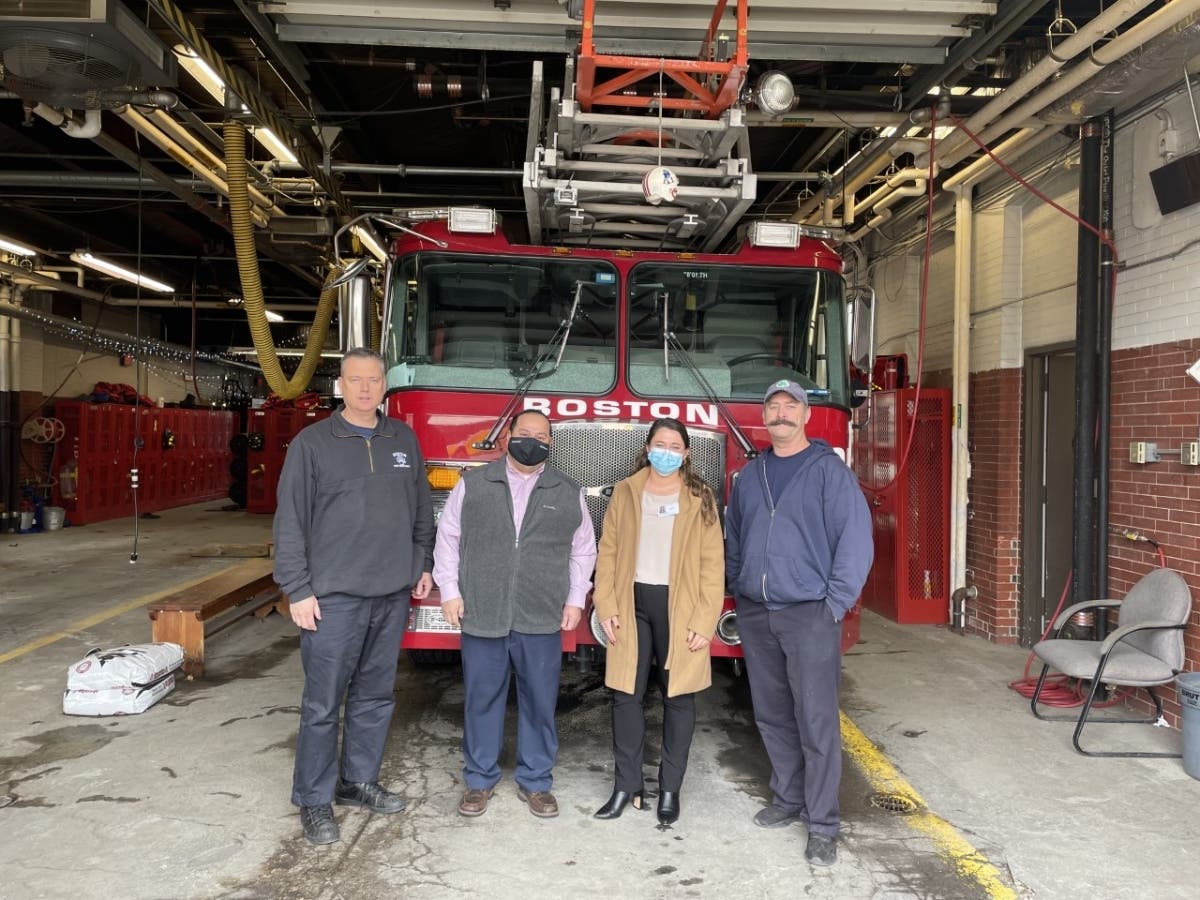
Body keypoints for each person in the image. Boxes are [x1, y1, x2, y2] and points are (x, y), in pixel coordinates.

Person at [273, 347, 435, 845]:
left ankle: (357, 781)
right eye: (355, 380)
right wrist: (297, 588)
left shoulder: (401, 437)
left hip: (390, 595)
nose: (366, 388)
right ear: (339, 386)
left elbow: (421, 511)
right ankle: (315, 800)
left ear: (385, 385)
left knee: (374, 697)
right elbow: (290, 521)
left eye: (374, 379)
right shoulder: (313, 444)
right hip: (333, 598)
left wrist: (420, 564)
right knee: (323, 704)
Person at [724, 379, 873, 867]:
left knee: (816, 720)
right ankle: (787, 799)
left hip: (810, 614)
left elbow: (855, 542)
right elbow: (735, 537)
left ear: (805, 416)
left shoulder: (829, 472)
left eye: (791, 406)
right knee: (771, 713)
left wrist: (834, 605)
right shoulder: (752, 475)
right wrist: (739, 585)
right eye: (774, 407)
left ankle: (824, 822)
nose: (781, 413)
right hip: (757, 612)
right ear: (764, 418)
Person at [432, 409, 596, 819]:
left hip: (541, 614)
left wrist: (576, 599)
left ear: (551, 444)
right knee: (481, 699)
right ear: (507, 436)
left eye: (541, 436)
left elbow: (583, 551)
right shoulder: (473, 484)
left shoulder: (567, 491)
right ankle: (478, 779)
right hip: (483, 610)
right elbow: (448, 539)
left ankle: (536, 781)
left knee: (540, 701)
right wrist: (449, 591)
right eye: (525, 433)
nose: (532, 441)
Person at [592, 418, 724, 825]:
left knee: (679, 697)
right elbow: (609, 550)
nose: (666, 451)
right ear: (647, 448)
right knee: (625, 695)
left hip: (680, 605)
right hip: (632, 603)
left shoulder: (699, 497)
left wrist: (705, 621)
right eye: (659, 444)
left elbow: (711, 564)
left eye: (674, 445)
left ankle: (669, 789)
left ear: (686, 453)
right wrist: (606, 604)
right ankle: (626, 787)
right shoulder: (628, 491)